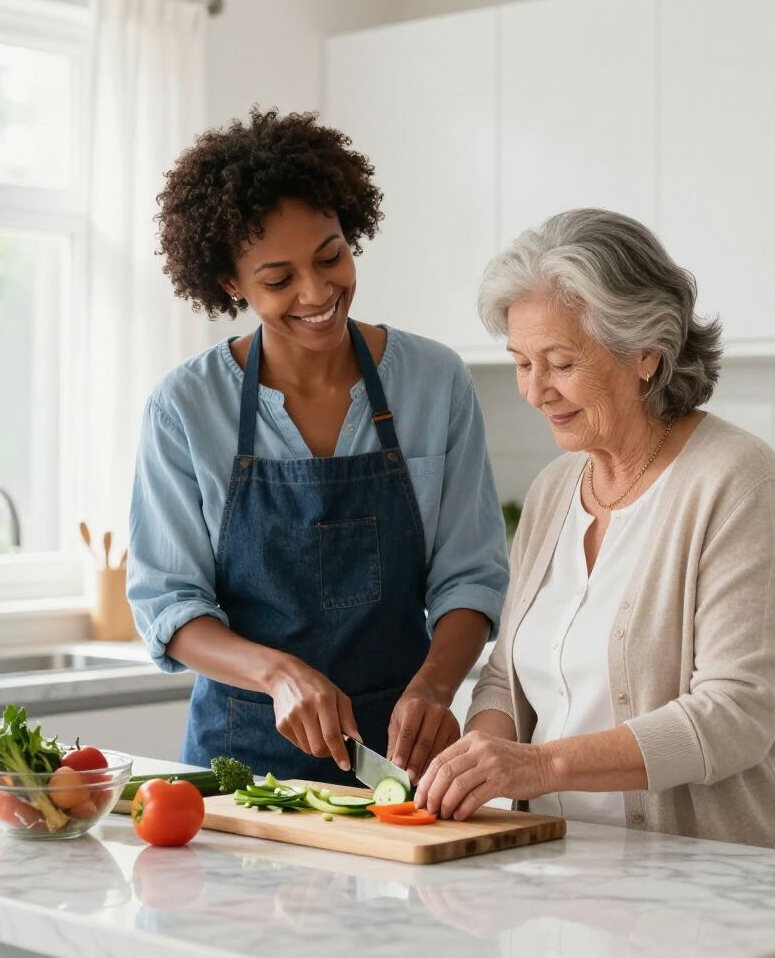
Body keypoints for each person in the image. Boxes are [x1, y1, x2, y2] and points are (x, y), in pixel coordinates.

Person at [415, 208, 775, 853]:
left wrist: (540, 766)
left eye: (561, 362)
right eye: (522, 363)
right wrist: (478, 756)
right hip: (562, 872)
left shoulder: (736, 479)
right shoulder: (554, 490)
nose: (536, 391)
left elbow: (737, 713)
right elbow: (505, 680)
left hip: (717, 880)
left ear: (646, 355)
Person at [128, 108, 508, 786]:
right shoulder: (186, 407)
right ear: (231, 285)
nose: (316, 292)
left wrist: (434, 688)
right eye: (278, 279)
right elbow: (169, 605)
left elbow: (471, 578)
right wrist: (277, 673)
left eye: (330, 255)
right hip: (239, 767)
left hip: (401, 762)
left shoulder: (434, 381)